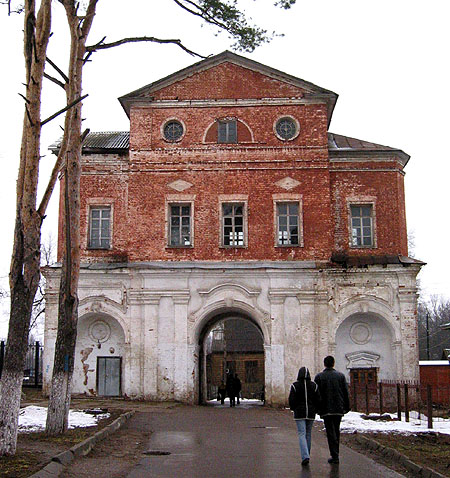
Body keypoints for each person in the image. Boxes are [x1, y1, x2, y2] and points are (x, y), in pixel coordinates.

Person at [314, 356, 350, 465]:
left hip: (326, 409)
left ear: (325, 364)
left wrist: (317, 408)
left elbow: (317, 394)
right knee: (336, 431)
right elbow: (345, 393)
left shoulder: (319, 377)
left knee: (330, 432)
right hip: (338, 408)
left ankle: (334, 455)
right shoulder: (341, 376)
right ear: (333, 364)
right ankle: (336, 454)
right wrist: (347, 407)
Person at [289, 367, 321, 467]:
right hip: (311, 413)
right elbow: (318, 399)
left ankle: (305, 456)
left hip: (299, 413)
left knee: (301, 434)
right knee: (308, 434)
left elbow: (291, 400)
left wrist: (294, 408)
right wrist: (315, 409)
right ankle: (307, 455)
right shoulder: (314, 385)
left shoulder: (295, 386)